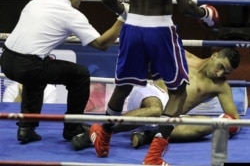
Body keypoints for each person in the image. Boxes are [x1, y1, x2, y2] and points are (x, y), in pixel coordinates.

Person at [88, 0, 219, 166]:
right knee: (178, 92)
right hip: (160, 29)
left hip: (133, 27)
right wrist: (205, 14)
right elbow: (184, 5)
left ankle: (103, 137)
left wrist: (124, 13)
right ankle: (154, 156)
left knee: (123, 87)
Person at [0, 0, 126, 144]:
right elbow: (101, 44)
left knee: (38, 69)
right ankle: (72, 128)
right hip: (28, 66)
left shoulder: (37, 2)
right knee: (80, 75)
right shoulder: (71, 15)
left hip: (6, 60)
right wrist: (123, 17)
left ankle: (26, 128)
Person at [71, 47, 241, 150]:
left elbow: (234, 119)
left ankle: (149, 135)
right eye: (221, 67)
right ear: (214, 55)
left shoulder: (220, 86)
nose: (220, 74)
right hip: (151, 95)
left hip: (170, 117)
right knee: (155, 110)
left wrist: (231, 125)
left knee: (207, 125)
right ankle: (100, 132)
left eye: (226, 72)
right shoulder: (185, 57)